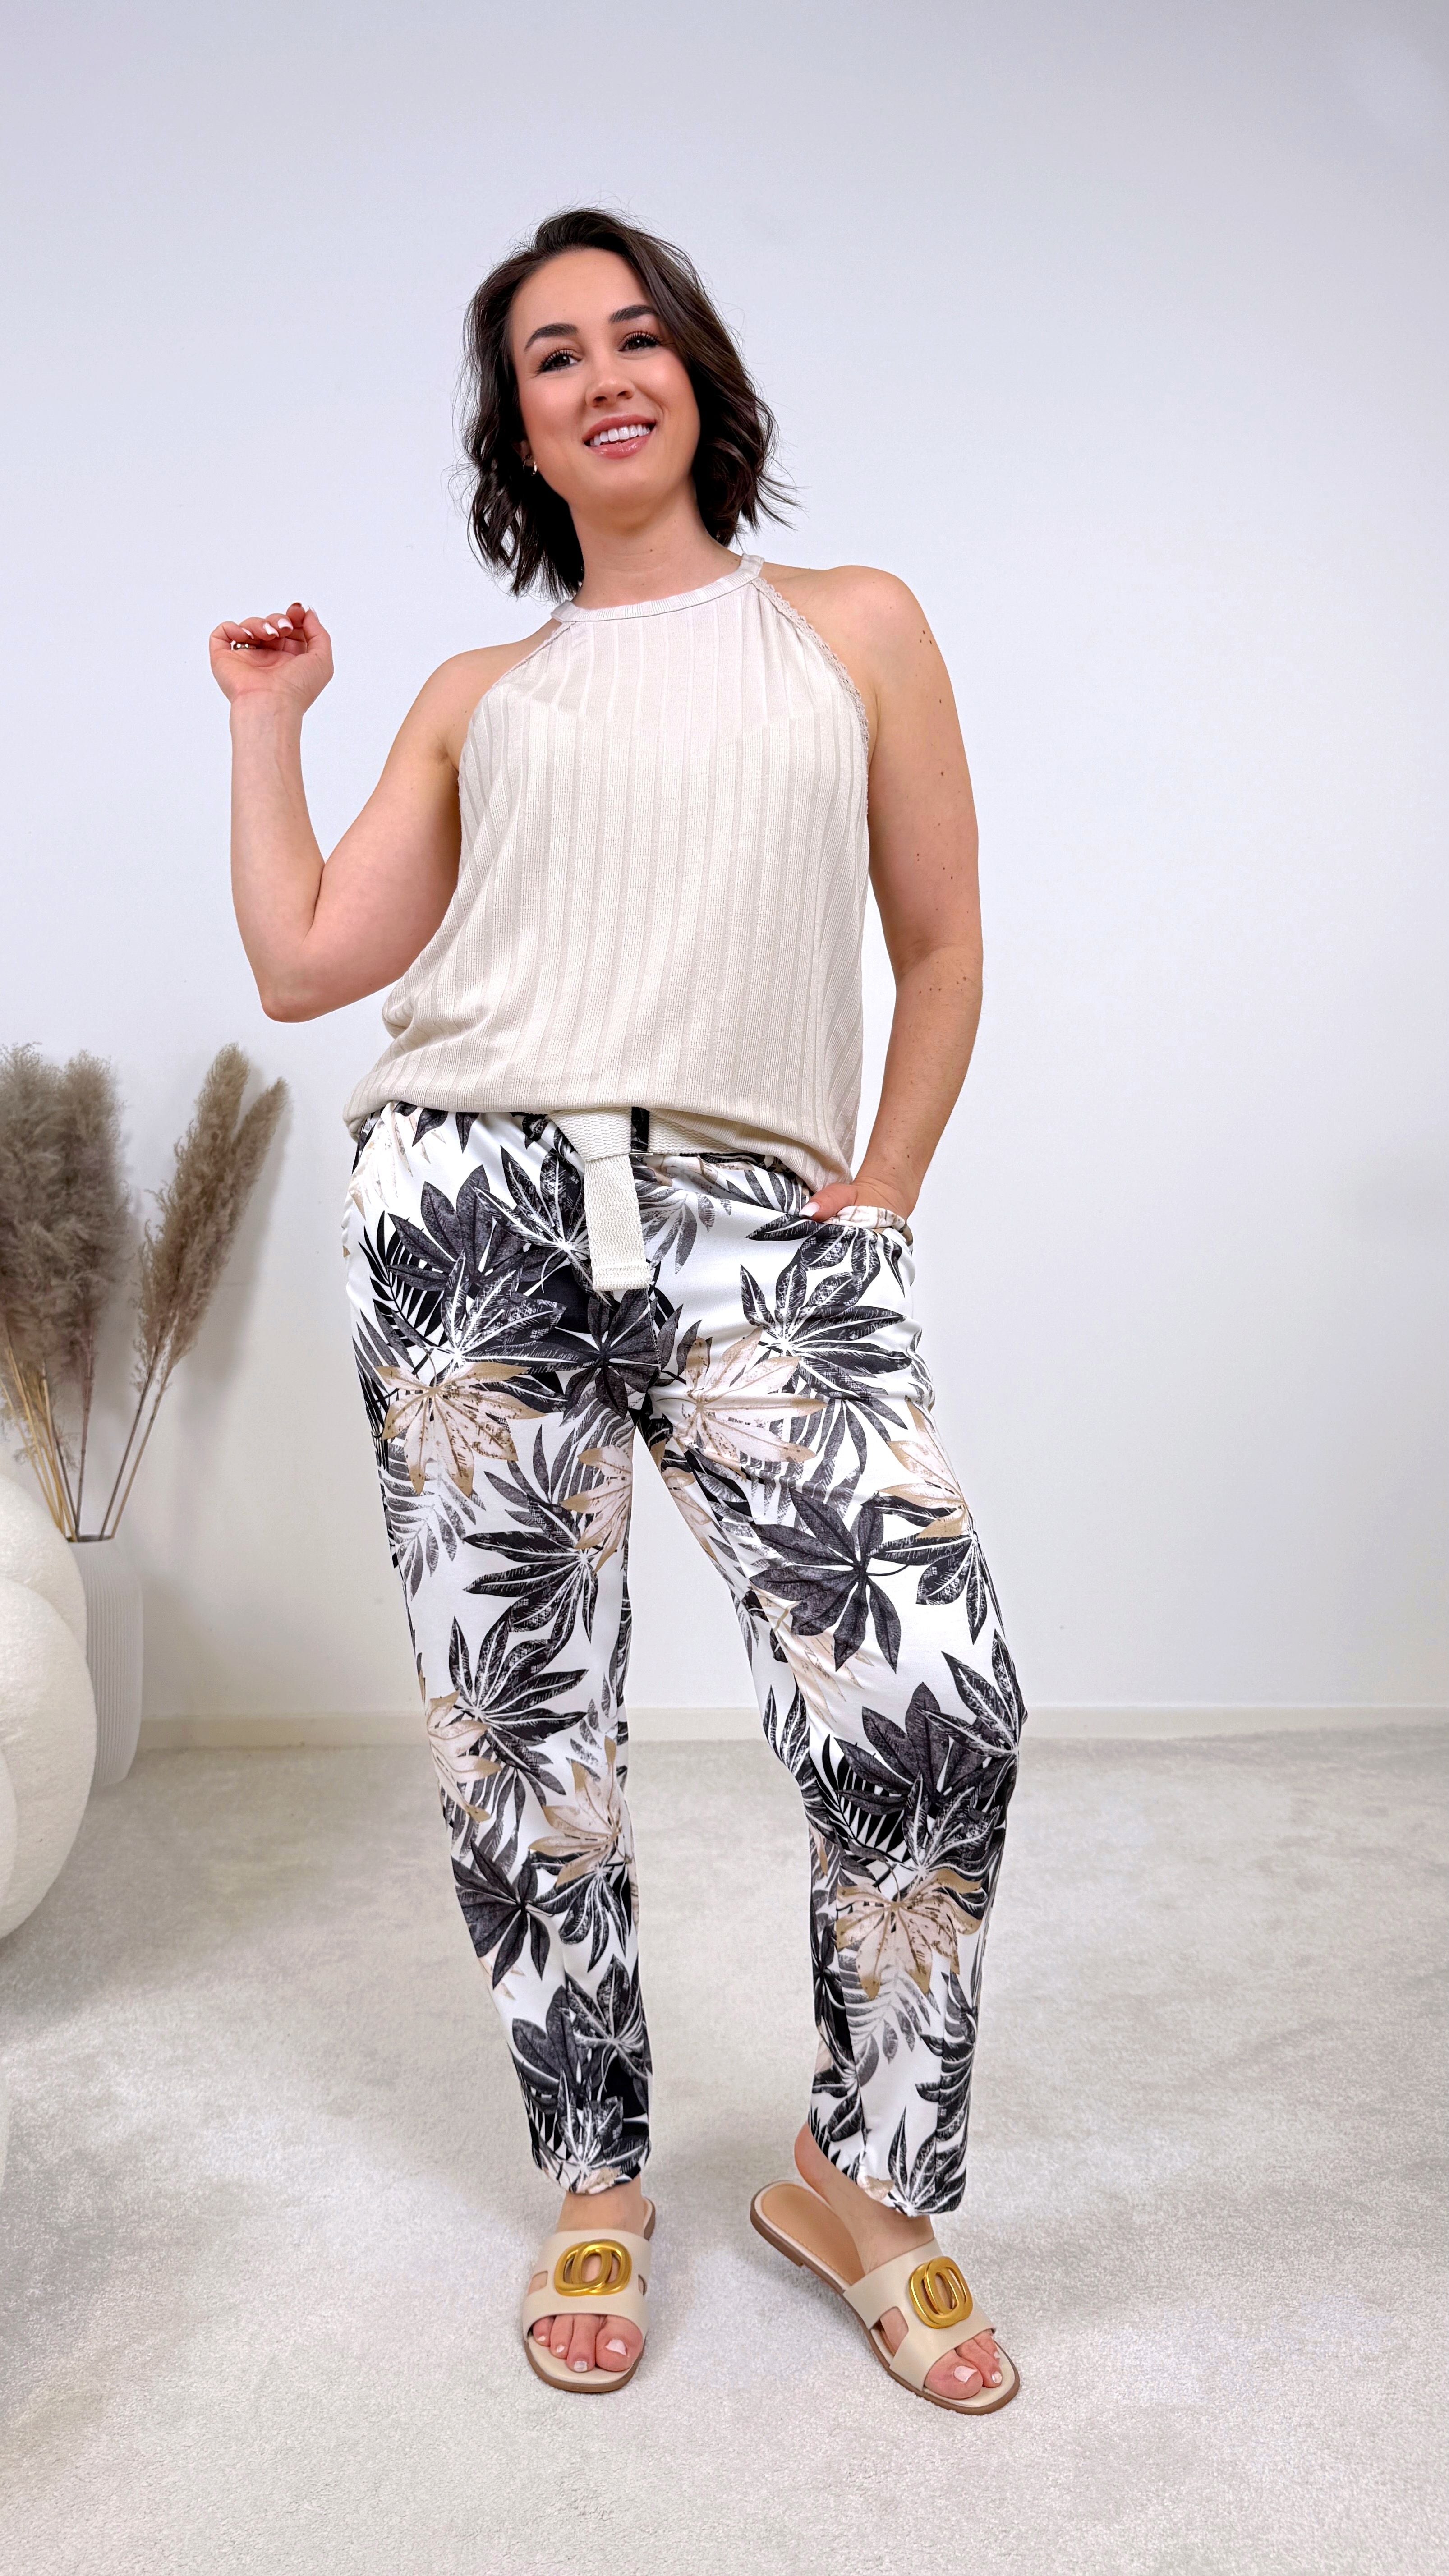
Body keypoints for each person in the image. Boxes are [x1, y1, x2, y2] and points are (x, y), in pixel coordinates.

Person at [211, 207, 1024, 2414]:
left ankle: (863, 2184)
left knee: (934, 1703)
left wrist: (882, 1189)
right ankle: (593, 2174)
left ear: (700, 377)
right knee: (526, 1741)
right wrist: (272, 722)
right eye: (552, 354)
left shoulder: (853, 626)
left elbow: (942, 944)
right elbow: (305, 962)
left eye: (636, 334)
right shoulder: (482, 697)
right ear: (523, 429)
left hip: (755, 1215)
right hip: (465, 1204)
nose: (603, 374)